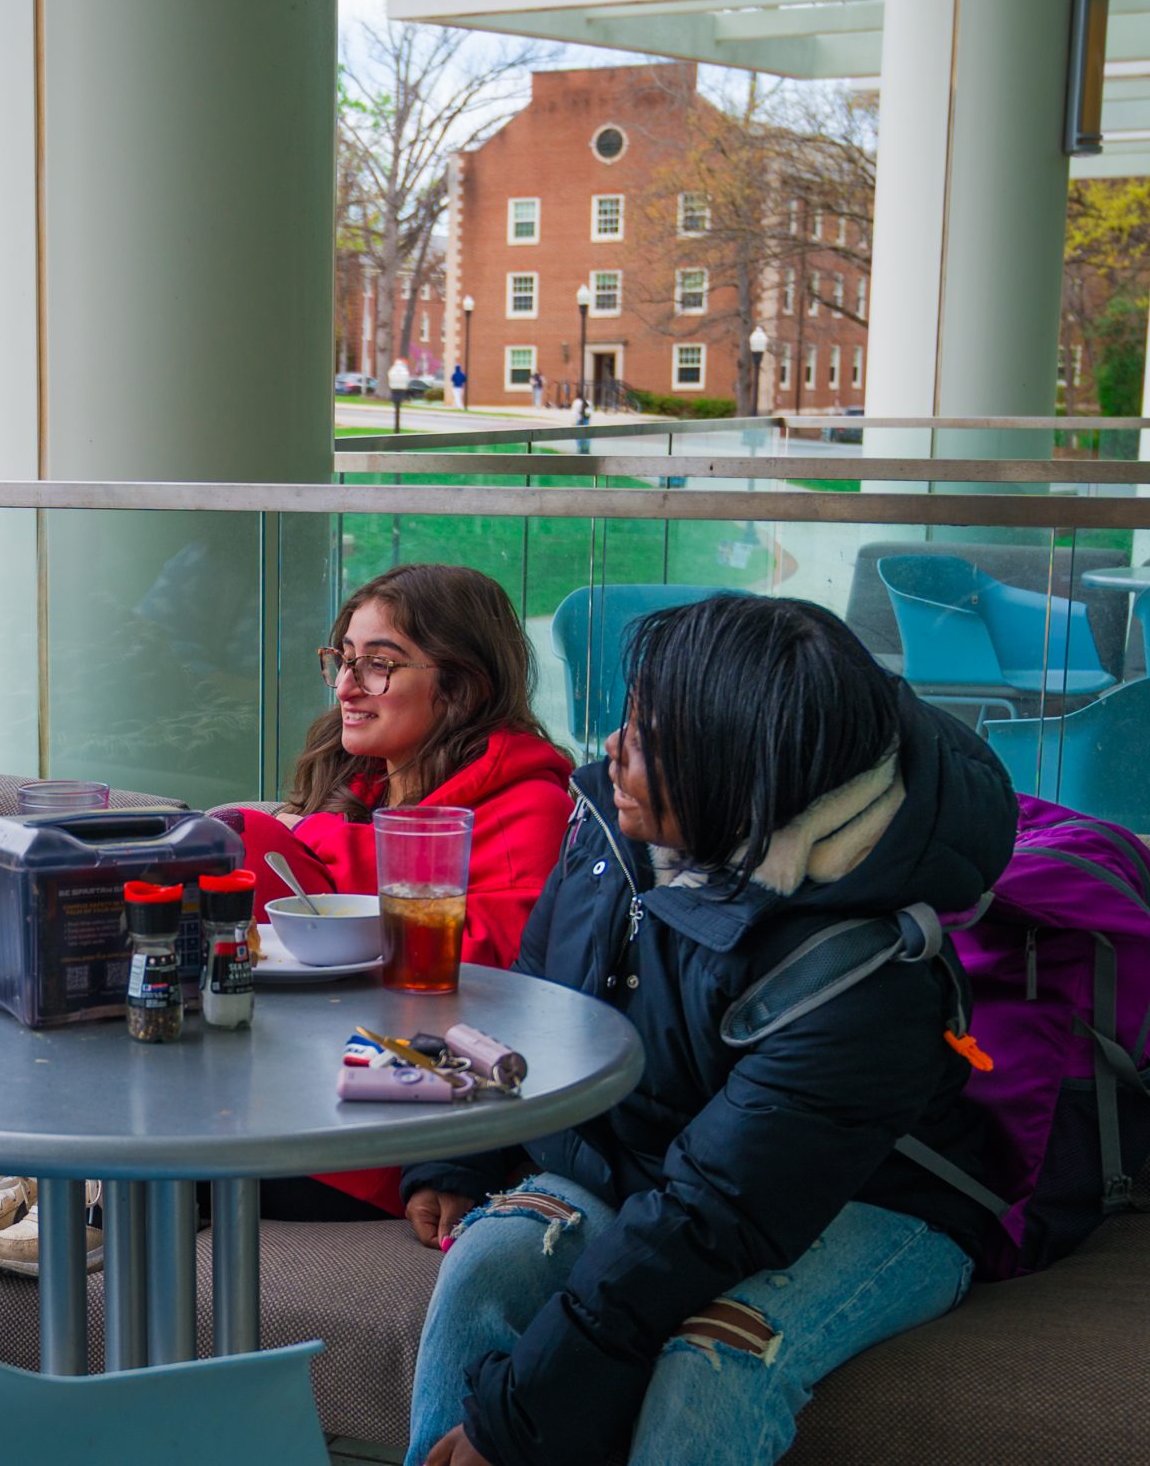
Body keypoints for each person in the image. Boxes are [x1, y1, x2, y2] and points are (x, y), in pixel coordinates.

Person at [404, 596, 1012, 1466]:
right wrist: (461, 1150)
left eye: (648, 740)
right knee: (485, 1270)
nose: (612, 750)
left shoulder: (863, 971)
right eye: (630, 719)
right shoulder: (618, 822)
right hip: (642, 1163)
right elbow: (533, 1004)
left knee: (714, 1362)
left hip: (867, 1202)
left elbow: (710, 1215)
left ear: (741, 772)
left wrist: (515, 1423)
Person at [214, 563, 573, 1219]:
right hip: (286, 1080)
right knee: (215, 852)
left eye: (378, 664)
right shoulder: (361, 782)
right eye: (343, 659)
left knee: (239, 839)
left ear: (461, 686)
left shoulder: (531, 809)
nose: (347, 686)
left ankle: (88, 1184)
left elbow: (497, 991)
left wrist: (315, 838)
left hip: (387, 1117)